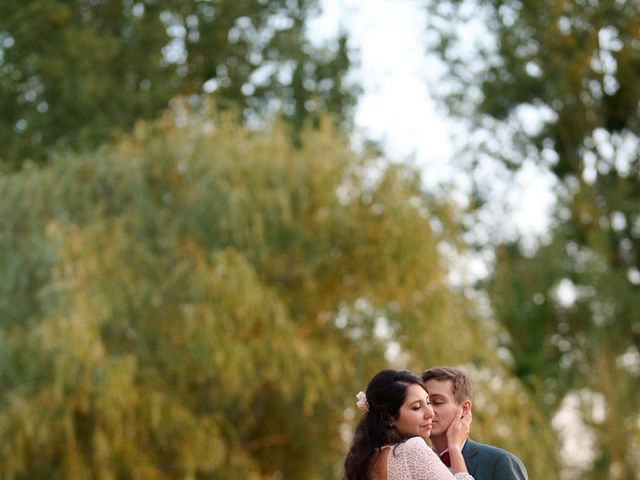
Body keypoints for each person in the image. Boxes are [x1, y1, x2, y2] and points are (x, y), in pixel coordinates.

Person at [343, 369, 474, 480]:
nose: (430, 413)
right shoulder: (411, 449)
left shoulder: (367, 459)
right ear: (389, 417)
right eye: (416, 407)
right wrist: (454, 448)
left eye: (428, 402)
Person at [421, 367, 528, 480]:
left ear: (465, 409)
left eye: (437, 402)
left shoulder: (500, 462)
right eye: (421, 404)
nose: (428, 411)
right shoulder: (412, 461)